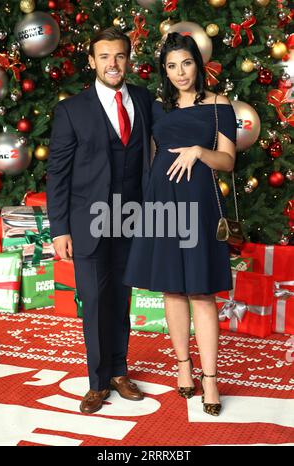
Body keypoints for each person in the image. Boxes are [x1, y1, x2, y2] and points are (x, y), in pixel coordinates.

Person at [123, 32, 237, 416]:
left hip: (200, 204)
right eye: (171, 66)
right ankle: (183, 369)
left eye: (185, 63)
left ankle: (210, 379)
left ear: (197, 63)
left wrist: (199, 152)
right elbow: (151, 157)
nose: (180, 72)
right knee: (172, 290)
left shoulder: (220, 106)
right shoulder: (157, 107)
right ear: (164, 70)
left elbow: (228, 162)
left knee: (201, 293)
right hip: (162, 202)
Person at [47, 27, 153, 414]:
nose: (113, 64)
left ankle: (119, 370)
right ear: (91, 62)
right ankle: (96, 381)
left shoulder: (142, 100)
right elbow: (57, 174)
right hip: (87, 222)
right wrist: (59, 229)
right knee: (93, 301)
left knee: (121, 299)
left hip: (132, 219)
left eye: (120, 56)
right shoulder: (71, 110)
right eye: (104, 57)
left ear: (128, 60)